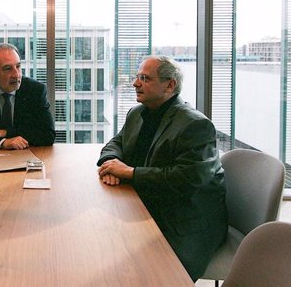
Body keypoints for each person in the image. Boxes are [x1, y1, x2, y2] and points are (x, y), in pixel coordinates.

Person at [97, 55, 227, 281]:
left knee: (151, 275)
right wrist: (110, 165)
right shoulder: (138, 113)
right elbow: (116, 143)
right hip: (151, 202)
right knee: (102, 246)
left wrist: (129, 173)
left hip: (186, 218)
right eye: (138, 77)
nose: (136, 83)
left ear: (170, 85)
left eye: (145, 78)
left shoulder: (195, 125)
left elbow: (188, 179)